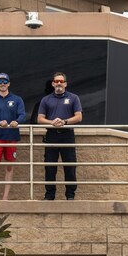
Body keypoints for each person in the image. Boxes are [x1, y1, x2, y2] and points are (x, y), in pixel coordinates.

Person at [37, 71, 83, 200]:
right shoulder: (46, 100)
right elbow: (40, 119)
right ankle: (50, 195)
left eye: (61, 82)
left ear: (65, 84)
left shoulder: (74, 98)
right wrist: (52, 122)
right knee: (50, 166)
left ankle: (70, 195)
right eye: (56, 81)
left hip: (67, 134)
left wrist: (65, 122)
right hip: (51, 135)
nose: (58, 84)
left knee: (70, 165)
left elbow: (79, 117)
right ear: (52, 83)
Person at [0, 72, 26, 200]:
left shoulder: (17, 99)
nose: (3, 84)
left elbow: (22, 115)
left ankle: (5, 196)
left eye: (5, 82)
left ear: (9, 83)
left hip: (11, 136)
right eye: (0, 82)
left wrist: (16, 122)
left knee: (10, 166)